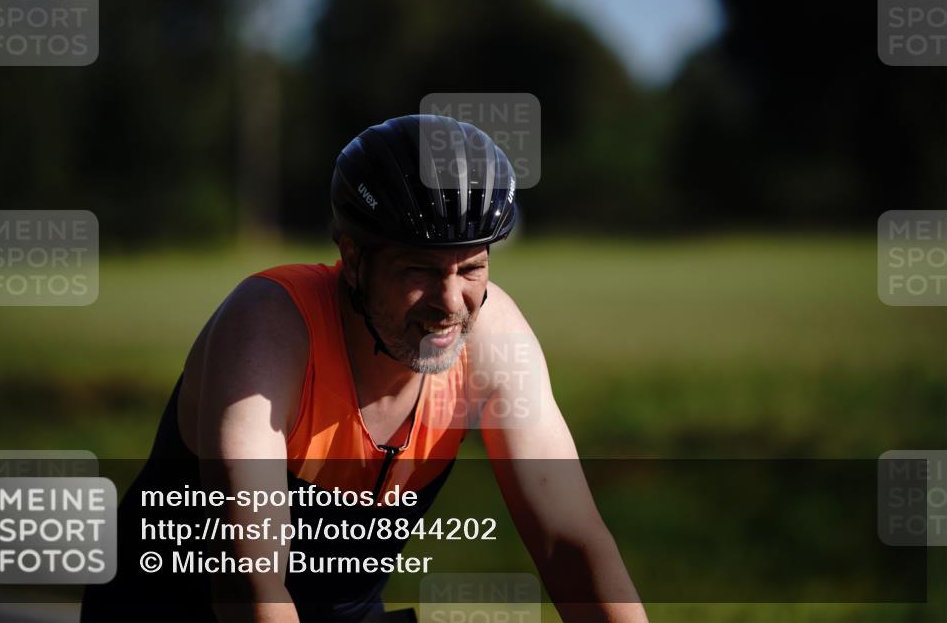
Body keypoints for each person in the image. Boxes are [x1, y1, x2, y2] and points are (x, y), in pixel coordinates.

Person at [80, 115, 647, 623]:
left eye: (472, 267)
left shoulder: (493, 337)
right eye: (419, 270)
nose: (451, 302)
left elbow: (570, 542)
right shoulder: (269, 326)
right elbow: (248, 582)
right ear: (354, 259)